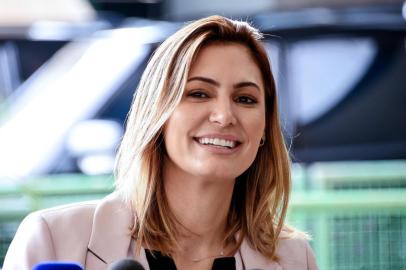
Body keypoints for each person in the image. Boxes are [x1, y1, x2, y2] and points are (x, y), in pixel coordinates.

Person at [3, 15, 318, 270]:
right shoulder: (53, 240)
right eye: (198, 93)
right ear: (157, 114)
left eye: (245, 99)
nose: (224, 115)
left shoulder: (294, 258)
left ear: (264, 128)